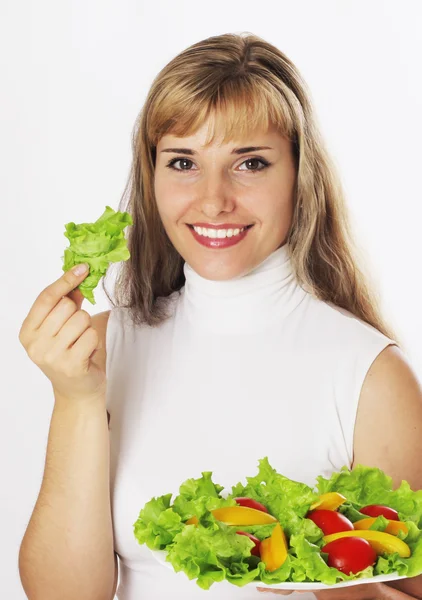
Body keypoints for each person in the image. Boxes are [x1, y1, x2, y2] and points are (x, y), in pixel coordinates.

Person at [18, 32, 422, 600]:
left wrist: (312, 571)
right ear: (152, 176)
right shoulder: (103, 348)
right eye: (183, 162)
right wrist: (76, 398)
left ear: (300, 178)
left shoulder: (373, 377)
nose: (212, 200)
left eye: (250, 163)